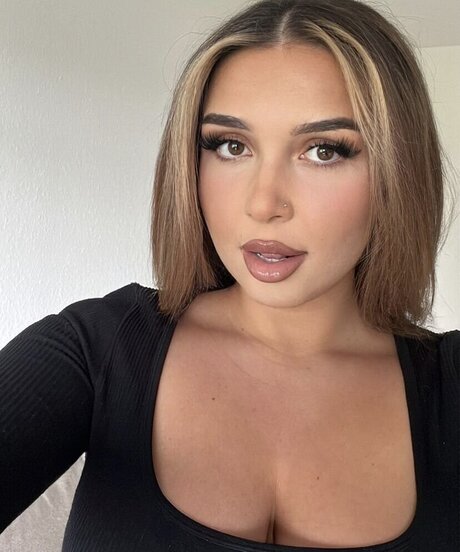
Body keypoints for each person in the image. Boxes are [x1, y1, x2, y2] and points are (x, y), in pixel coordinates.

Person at [1, 0, 458, 550]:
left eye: (323, 151)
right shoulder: (95, 349)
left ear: (398, 170)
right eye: (231, 146)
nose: (263, 204)